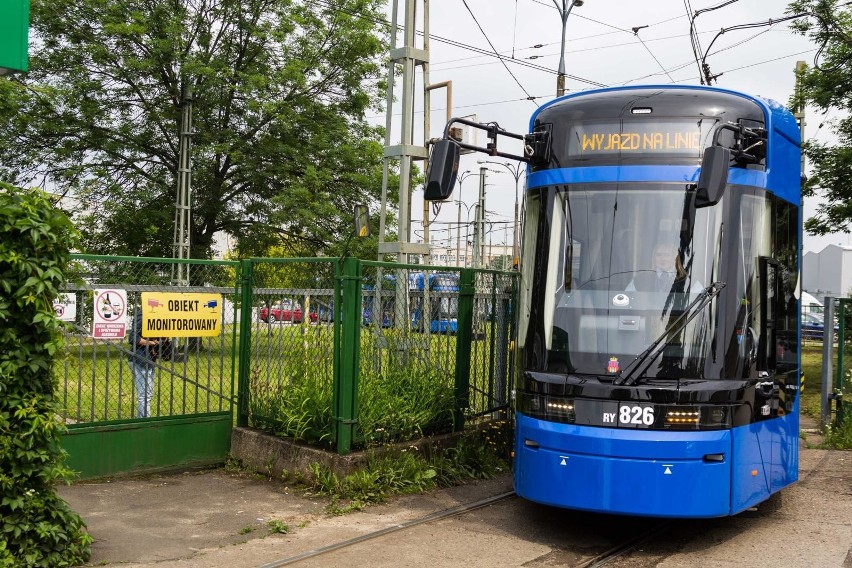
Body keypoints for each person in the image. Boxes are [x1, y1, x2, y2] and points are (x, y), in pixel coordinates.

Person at [128, 309, 159, 418]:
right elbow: (133, 338)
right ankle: (145, 423)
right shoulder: (142, 314)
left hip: (148, 359)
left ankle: (140, 421)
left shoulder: (155, 315)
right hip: (140, 359)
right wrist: (151, 343)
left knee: (147, 394)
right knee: (144, 395)